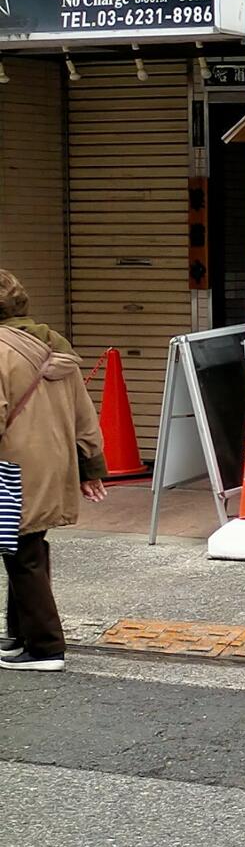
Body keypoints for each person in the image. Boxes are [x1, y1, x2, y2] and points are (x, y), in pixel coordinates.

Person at [0, 271, 108, 674]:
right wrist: (89, 465)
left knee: (23, 552)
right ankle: (19, 635)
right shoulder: (53, 345)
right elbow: (83, 413)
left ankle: (45, 648)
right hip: (51, 462)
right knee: (26, 546)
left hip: (10, 464)